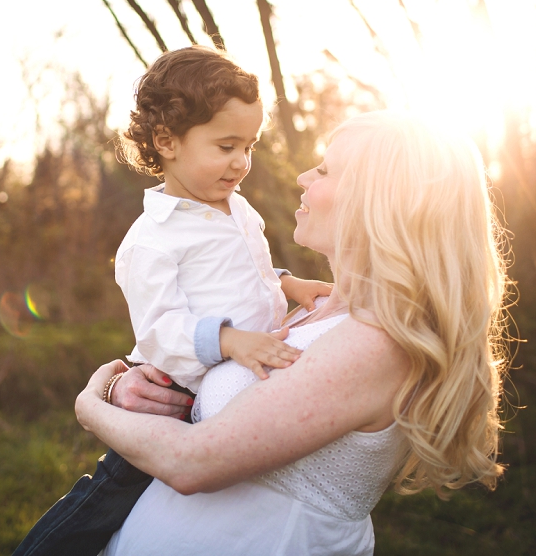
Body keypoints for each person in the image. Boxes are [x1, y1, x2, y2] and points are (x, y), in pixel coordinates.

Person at [76, 111, 510, 555]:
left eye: (324, 170)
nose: (303, 177)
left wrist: (90, 406)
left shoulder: (379, 343)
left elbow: (192, 462)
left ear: (380, 200)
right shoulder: (312, 311)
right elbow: (199, 355)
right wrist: (126, 386)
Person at [12, 46, 330, 556]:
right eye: (226, 146)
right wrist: (228, 340)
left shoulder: (237, 208)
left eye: (249, 146)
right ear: (167, 141)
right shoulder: (150, 241)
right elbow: (160, 330)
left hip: (224, 398)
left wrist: (291, 285)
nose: (241, 163)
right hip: (168, 400)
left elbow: (243, 273)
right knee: (104, 504)